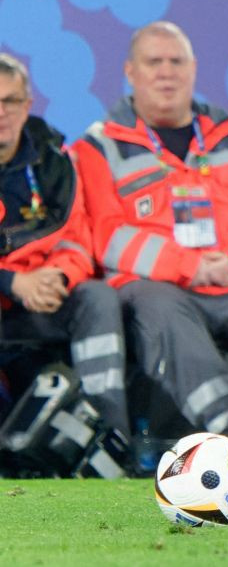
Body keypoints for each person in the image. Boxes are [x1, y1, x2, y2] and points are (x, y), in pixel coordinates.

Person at [73, 22, 228, 475]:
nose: (166, 73)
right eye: (154, 62)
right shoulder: (97, 145)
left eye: (176, 62)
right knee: (156, 306)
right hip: (162, 288)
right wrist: (188, 265)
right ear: (131, 72)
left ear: (193, 69)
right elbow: (106, 237)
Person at [0, 53, 128, 442]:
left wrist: (57, 276)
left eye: (10, 101)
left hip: (43, 299)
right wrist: (13, 283)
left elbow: (77, 236)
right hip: (11, 292)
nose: (1, 112)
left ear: (28, 106)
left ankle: (107, 435)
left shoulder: (54, 161)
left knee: (97, 298)